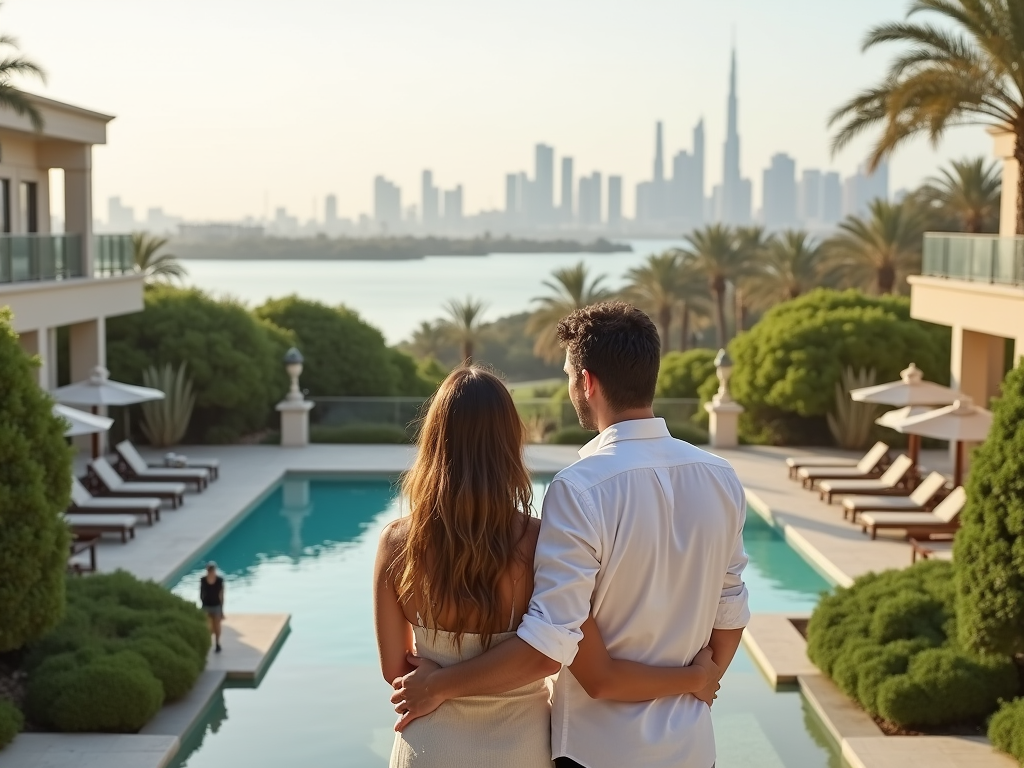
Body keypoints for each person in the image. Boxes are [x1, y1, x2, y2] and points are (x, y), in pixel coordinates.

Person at [390, 303, 750, 768]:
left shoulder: (579, 489)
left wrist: (439, 684)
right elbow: (732, 606)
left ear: (587, 382)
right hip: (692, 751)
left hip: (595, 752)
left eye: (567, 374)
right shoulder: (720, 477)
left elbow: (565, 652)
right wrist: (701, 679)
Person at [200, 561, 225, 653]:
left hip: (216, 606)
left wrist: (222, 609)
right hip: (206, 606)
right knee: (208, 627)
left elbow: (221, 595)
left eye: (212, 570)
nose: (211, 572)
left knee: (217, 626)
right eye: (210, 570)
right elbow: (201, 594)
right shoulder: (203, 580)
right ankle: (208, 643)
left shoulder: (219, 580)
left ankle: (217, 643)